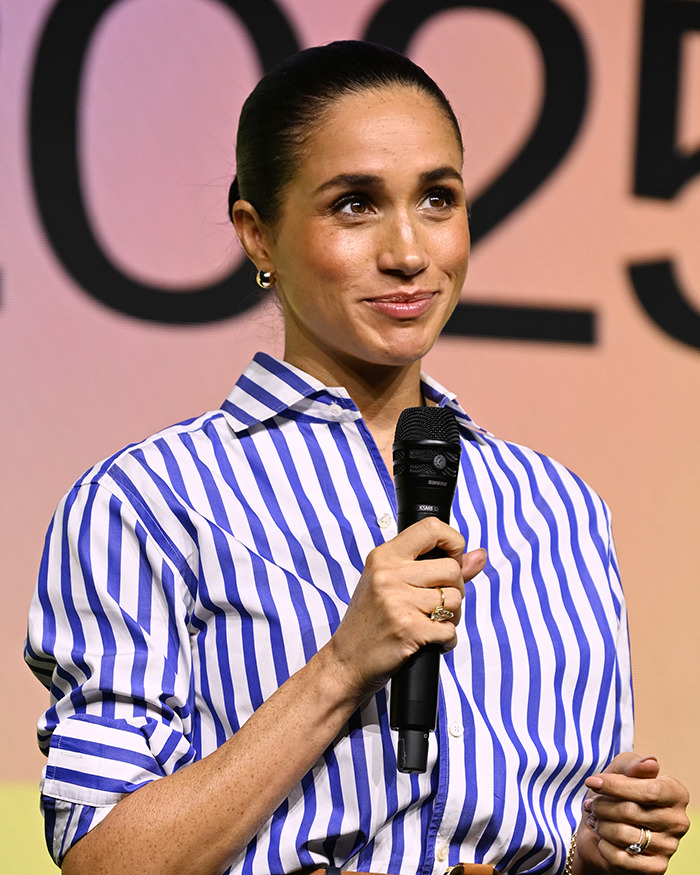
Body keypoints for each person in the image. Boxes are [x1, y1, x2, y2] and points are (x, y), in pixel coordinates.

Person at [25, 40, 688, 875]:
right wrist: (342, 664)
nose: (409, 252)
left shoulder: (558, 507)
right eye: (354, 205)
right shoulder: (150, 500)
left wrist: (596, 855)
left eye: (438, 199)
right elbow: (103, 863)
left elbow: (552, 834)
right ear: (256, 233)